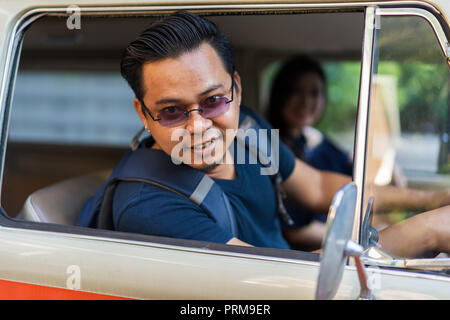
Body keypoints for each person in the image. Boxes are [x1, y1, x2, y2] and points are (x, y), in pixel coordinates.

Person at [78, 11, 450, 258]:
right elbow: (275, 281)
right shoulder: (147, 204)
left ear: (236, 92)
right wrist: (426, 231)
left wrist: (430, 198)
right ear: (143, 114)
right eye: (171, 111)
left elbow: (319, 186)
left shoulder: (251, 132)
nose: (198, 126)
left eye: (213, 101)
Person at [266, 56, 351, 250]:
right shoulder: (268, 146)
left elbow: (349, 163)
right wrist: (355, 240)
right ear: (280, 95)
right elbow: (295, 230)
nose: (306, 102)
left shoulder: (310, 141)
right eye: (296, 92)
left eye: (315, 93)